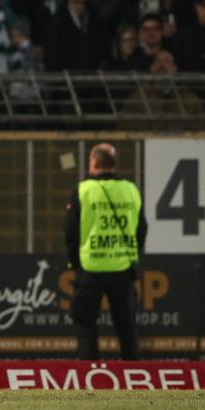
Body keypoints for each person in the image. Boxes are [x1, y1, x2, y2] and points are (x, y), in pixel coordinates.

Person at [65, 143, 146, 360]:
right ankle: (134, 375)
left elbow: (71, 232)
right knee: (126, 326)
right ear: (114, 164)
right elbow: (141, 230)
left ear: (93, 162)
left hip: (91, 268)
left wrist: (75, 264)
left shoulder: (83, 191)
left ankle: (89, 374)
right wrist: (132, 261)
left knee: (85, 323)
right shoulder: (131, 190)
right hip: (122, 268)